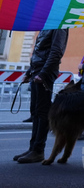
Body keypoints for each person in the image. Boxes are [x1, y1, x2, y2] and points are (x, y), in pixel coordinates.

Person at [13, 29, 68, 164]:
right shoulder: (48, 25)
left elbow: (56, 52)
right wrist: (29, 72)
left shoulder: (60, 26)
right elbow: (38, 51)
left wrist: (42, 74)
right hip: (37, 71)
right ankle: (33, 148)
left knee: (42, 112)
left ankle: (38, 150)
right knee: (36, 112)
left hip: (44, 73)